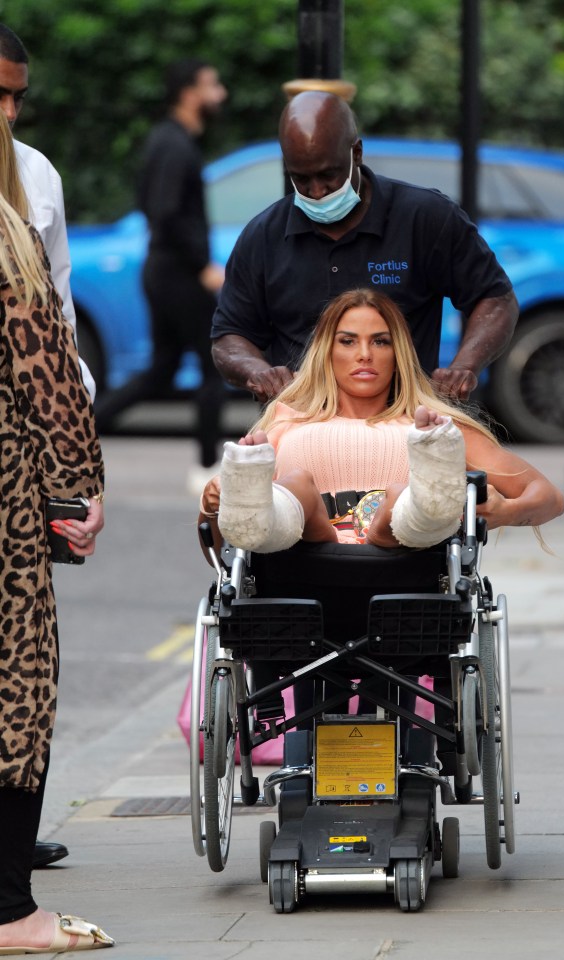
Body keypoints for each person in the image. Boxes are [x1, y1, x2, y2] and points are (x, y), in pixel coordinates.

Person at [210, 90, 519, 406]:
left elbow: (494, 298)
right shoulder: (263, 236)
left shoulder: (424, 218)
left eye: (328, 175)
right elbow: (229, 337)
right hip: (301, 427)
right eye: (300, 179)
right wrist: (257, 371)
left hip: (402, 424)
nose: (317, 191)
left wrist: (465, 366)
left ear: (356, 153)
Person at [200, 288, 564, 554]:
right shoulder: (285, 421)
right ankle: (255, 506)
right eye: (347, 341)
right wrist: (214, 507)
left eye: (380, 342)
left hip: (403, 570)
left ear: (398, 352)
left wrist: (505, 512)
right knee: (296, 485)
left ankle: (423, 504)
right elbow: (222, 560)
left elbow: (549, 498)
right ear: (327, 352)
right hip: (303, 563)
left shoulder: (434, 430)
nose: (363, 355)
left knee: (402, 494)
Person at [0, 112, 113, 953]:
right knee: (16, 691)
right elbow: (46, 367)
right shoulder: (9, 234)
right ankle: (11, 913)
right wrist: (77, 491)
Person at [94, 58, 227, 492]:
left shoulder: (170, 140)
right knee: (212, 365)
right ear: (190, 93)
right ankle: (208, 467)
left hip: (165, 270)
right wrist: (201, 265)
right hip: (176, 273)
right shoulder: (174, 145)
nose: (220, 94)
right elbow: (165, 212)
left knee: (164, 368)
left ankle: (85, 429)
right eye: (212, 85)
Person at [0, 22, 96, 401]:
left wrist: (75, 391)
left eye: (18, 98)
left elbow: (59, 305)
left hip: (26, 416)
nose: (9, 112)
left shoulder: (38, 173)